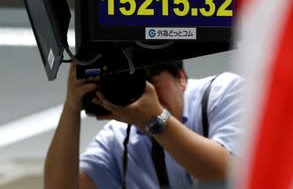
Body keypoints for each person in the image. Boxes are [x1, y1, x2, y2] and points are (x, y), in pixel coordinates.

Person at [44, 60, 244, 189]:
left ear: (181, 78)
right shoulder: (119, 139)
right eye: (135, 85)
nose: (144, 93)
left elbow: (227, 173)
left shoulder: (222, 92)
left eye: (150, 80)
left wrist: (154, 120)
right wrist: (71, 107)